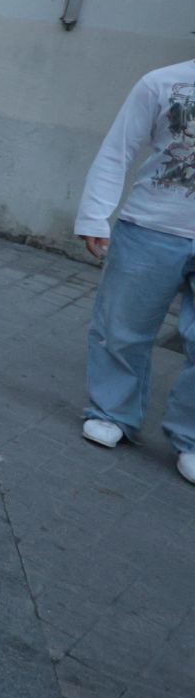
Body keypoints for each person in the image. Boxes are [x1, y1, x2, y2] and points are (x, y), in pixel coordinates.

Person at [74, 55, 195, 483]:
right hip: (150, 226)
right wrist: (94, 215)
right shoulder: (161, 83)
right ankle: (112, 412)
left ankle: (192, 437)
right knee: (123, 328)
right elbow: (118, 149)